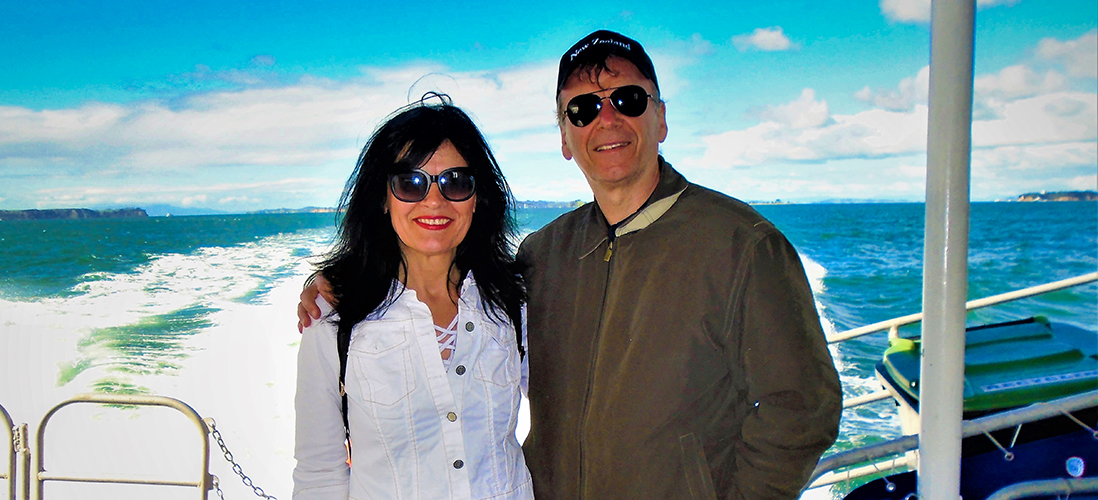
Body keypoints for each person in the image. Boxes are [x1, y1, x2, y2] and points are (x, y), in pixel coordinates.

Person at [300, 31, 843, 499]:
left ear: (660, 118)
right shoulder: (543, 257)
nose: (606, 118)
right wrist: (338, 281)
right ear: (564, 136)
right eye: (583, 108)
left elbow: (801, 408)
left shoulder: (742, 246)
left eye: (628, 99)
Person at [292, 96, 533, 499]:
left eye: (456, 181)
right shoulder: (333, 316)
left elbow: (571, 410)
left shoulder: (513, 303)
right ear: (383, 199)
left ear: (478, 197)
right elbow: (319, 472)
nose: (434, 201)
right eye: (411, 182)